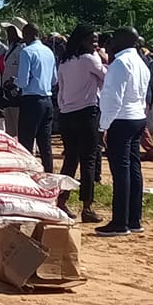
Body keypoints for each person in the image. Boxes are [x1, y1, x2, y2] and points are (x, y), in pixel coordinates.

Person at [97, 27, 151, 237]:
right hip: (137, 117)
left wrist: (104, 126)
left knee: (121, 172)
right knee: (133, 168)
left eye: (113, 39)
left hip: (121, 119)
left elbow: (112, 97)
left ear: (120, 41)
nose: (110, 43)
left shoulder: (119, 63)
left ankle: (120, 222)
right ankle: (134, 219)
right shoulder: (140, 62)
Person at [54, 25, 106, 222]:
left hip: (67, 114)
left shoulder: (65, 61)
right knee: (89, 160)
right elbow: (107, 77)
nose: (96, 43)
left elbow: (61, 90)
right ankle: (87, 207)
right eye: (92, 40)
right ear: (82, 40)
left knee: (70, 160)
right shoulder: (90, 59)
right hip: (86, 114)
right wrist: (102, 57)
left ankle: (62, 200)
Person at [13, 22, 57, 173]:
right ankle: (49, 175)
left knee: (26, 142)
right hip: (47, 100)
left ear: (28, 34)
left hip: (31, 101)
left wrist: (14, 81)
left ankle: (27, 174)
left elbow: (23, 81)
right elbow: (54, 80)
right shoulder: (49, 51)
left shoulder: (27, 52)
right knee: (45, 144)